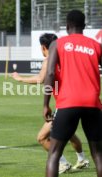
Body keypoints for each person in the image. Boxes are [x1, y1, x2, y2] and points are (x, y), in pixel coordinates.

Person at [12, 33, 89, 174]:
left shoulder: (49, 60)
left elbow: (41, 79)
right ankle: (82, 159)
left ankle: (62, 163)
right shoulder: (67, 58)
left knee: (42, 137)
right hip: (81, 102)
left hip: (65, 104)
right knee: (70, 133)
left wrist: (20, 78)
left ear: (43, 47)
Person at [43, 10, 102, 177]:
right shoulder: (96, 46)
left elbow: (50, 74)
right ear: (84, 26)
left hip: (68, 102)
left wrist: (46, 104)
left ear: (67, 26)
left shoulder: (58, 44)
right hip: (92, 103)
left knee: (54, 154)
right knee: (98, 154)